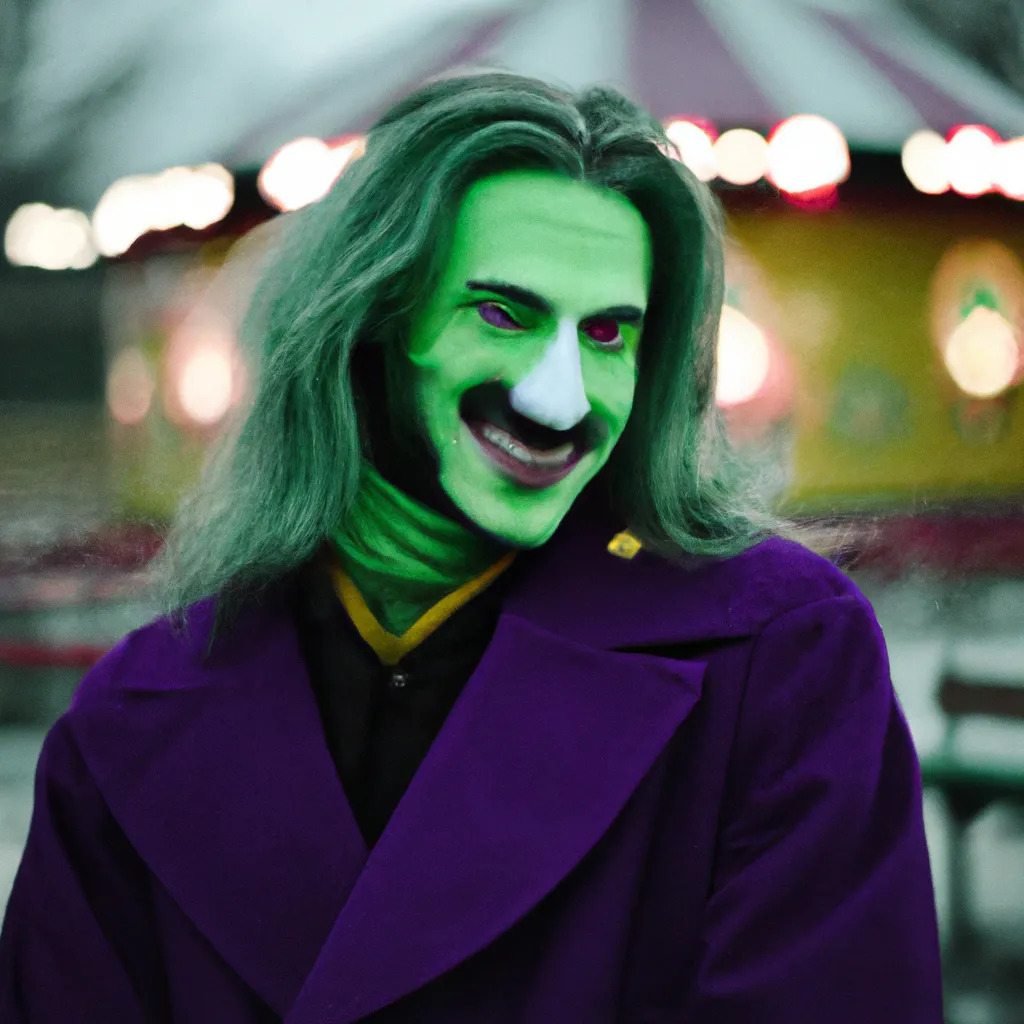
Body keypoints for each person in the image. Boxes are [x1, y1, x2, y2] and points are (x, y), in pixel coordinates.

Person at [0, 72, 943, 1022]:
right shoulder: (131, 721)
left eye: (610, 333)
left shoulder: (779, 659)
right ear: (368, 321)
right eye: (502, 313)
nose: (560, 401)